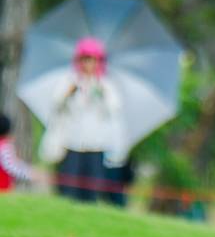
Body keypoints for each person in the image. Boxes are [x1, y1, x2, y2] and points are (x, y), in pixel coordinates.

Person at [40, 37, 130, 205]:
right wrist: (70, 92)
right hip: (72, 143)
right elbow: (56, 104)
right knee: (67, 189)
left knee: (91, 191)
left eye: (93, 60)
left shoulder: (106, 85)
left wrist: (102, 93)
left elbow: (114, 109)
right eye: (86, 60)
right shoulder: (69, 80)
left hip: (96, 145)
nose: (89, 64)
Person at [0, 112, 44, 192]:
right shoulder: (4, 146)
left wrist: (31, 171)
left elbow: (14, 163)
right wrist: (31, 175)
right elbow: (12, 167)